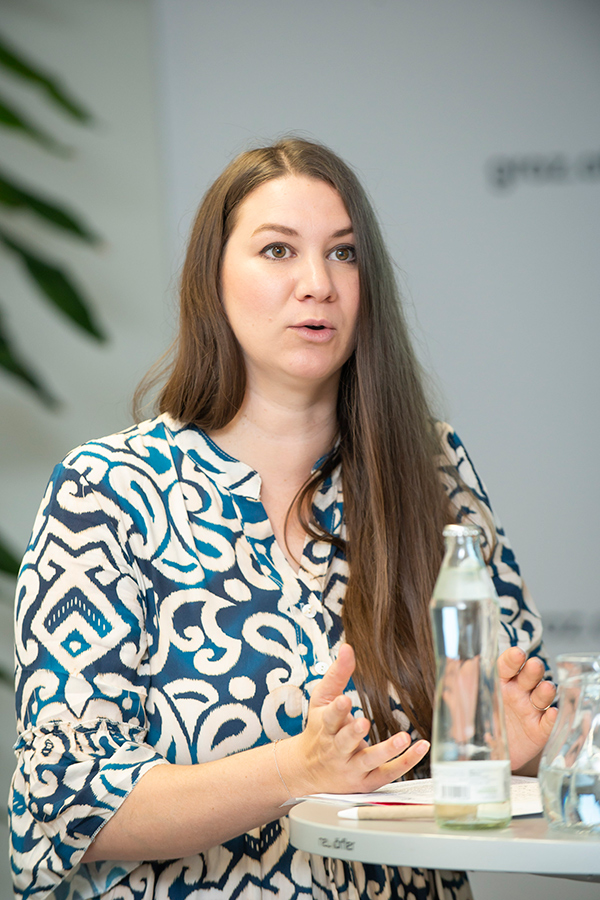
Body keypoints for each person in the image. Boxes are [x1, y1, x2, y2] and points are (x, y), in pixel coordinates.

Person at [10, 137, 557, 900]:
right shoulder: (106, 492)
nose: (317, 284)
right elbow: (63, 804)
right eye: (277, 250)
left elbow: (505, 737)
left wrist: (516, 753)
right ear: (213, 280)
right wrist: (294, 772)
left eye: (343, 254)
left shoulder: (434, 472)